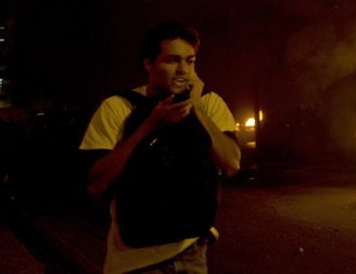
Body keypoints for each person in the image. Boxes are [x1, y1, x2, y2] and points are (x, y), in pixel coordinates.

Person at [79, 20, 241, 273]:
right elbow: (94, 183)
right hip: (134, 260)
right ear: (148, 64)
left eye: (190, 61)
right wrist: (149, 125)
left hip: (192, 252)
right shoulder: (118, 107)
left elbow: (231, 164)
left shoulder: (208, 103)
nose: (183, 70)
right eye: (172, 60)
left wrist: (196, 106)